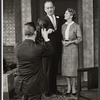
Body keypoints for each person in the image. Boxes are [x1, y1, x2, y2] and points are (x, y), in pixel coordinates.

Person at [14, 22, 54, 100]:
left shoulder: (17, 47)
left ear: (24, 33)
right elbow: (51, 51)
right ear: (35, 32)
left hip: (20, 84)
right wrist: (46, 38)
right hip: (34, 85)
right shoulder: (38, 48)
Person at [42, 0, 63, 96]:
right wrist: (46, 31)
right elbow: (40, 32)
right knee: (48, 70)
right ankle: (47, 90)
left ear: (54, 8)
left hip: (58, 48)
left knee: (54, 69)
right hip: (48, 49)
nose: (50, 9)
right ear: (45, 9)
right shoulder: (42, 20)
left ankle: (54, 89)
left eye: (51, 7)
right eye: (48, 8)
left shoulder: (60, 18)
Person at [61, 8, 82, 95]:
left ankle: (74, 87)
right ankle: (69, 86)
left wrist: (71, 42)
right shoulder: (63, 26)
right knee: (66, 68)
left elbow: (80, 38)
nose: (64, 14)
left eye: (66, 13)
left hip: (73, 48)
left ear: (71, 15)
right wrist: (62, 42)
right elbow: (61, 37)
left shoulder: (76, 26)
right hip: (65, 49)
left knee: (73, 68)